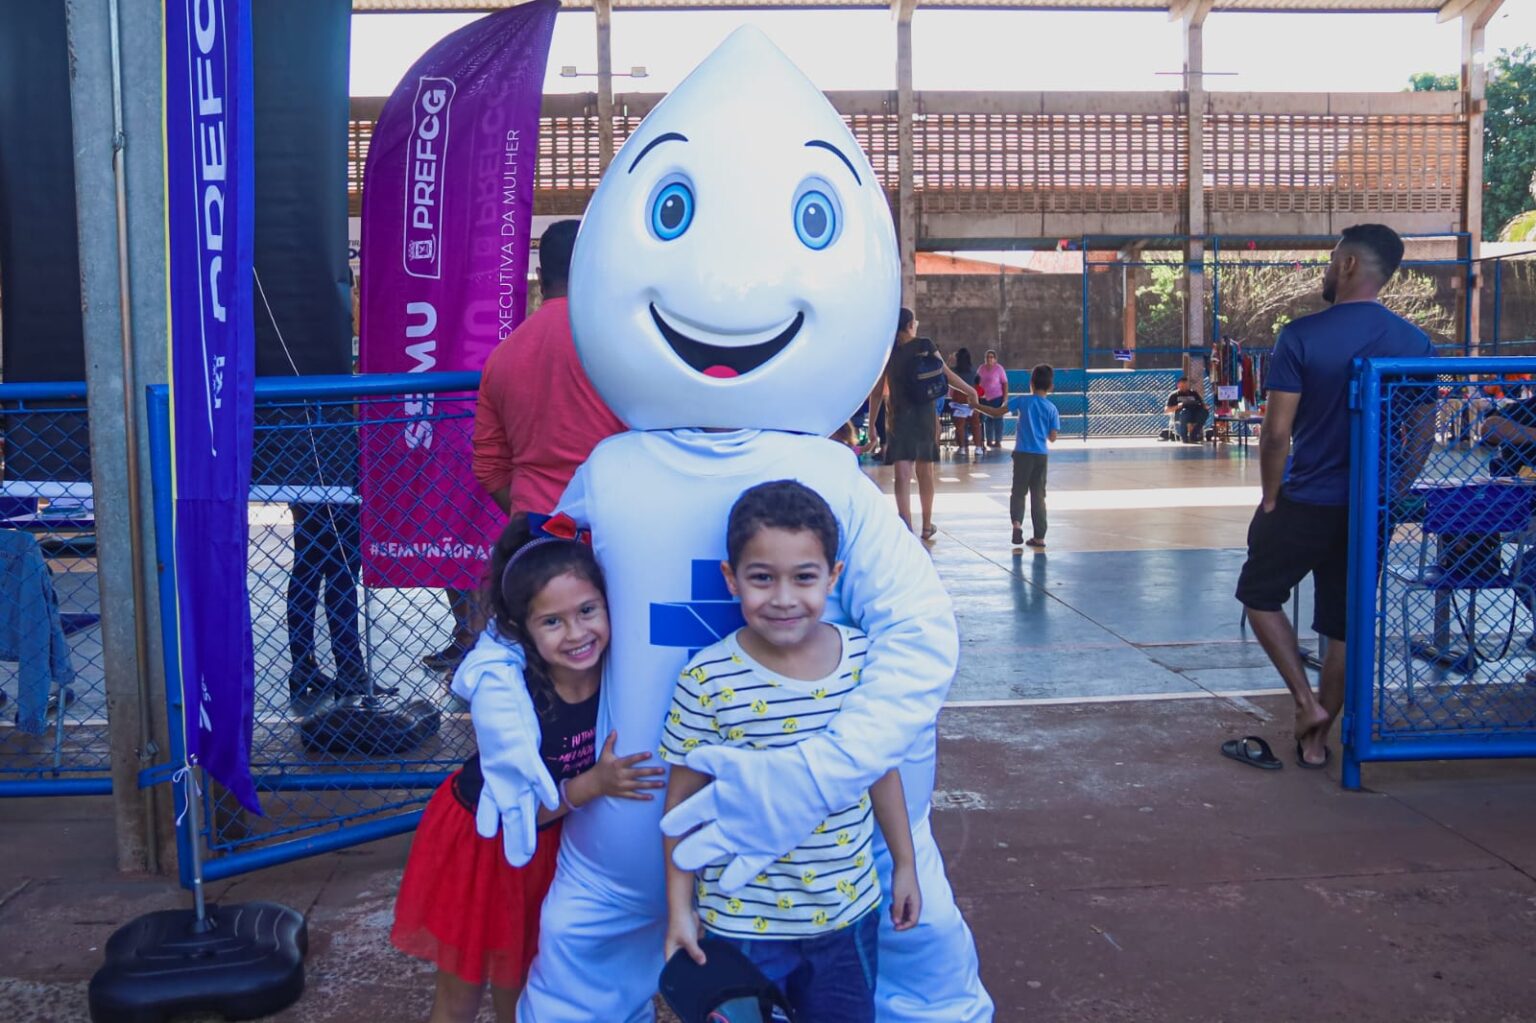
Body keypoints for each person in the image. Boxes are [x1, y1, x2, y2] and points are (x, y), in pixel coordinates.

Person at [469, 30, 992, 1022]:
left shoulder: (831, 480)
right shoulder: (610, 473)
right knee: (583, 983)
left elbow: (923, 641)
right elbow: (526, 603)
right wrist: (502, 715)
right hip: (634, 831)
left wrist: (812, 781)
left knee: (918, 965)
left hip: (825, 845)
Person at [661, 481, 921, 1021]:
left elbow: (880, 770)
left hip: (847, 917)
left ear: (834, 577)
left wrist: (905, 865)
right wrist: (678, 911)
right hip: (740, 925)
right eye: (762, 578)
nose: (783, 598)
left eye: (804, 577)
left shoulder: (862, 661)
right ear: (732, 579)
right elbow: (681, 809)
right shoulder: (706, 677)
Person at [391, 514, 665, 1023]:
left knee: (528, 993)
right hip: (488, 842)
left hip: (560, 849)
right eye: (552, 621)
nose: (577, 633)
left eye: (588, 610)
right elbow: (521, 809)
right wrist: (594, 784)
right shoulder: (513, 700)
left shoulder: (619, 669)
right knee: (461, 997)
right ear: (521, 629)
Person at [1232, 224, 1436, 771]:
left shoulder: (1301, 336)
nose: (1327, 268)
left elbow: (1276, 434)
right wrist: (1390, 492)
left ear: (1347, 264)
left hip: (1305, 499)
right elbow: (1420, 434)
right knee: (1343, 624)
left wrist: (1271, 496)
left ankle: (1307, 705)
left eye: (1330, 259)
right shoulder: (1414, 343)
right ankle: (1319, 743)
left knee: (1259, 593)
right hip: (1368, 506)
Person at [434, 220, 626, 677]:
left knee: (547, 670)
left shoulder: (505, 354)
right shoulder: (619, 344)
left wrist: (533, 514)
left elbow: (489, 465)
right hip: (616, 530)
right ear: (595, 266)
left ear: (540, 275)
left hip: (538, 537)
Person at [868, 309, 990, 540]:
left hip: (898, 418)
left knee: (902, 474)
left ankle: (906, 526)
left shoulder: (887, 352)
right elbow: (945, 373)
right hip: (923, 416)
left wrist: (873, 425)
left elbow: (876, 393)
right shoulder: (924, 344)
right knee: (925, 473)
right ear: (911, 324)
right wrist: (971, 390)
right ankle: (926, 525)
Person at [1010, 364, 1061, 549]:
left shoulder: (1022, 401)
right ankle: (1039, 536)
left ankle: (1017, 524)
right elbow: (1053, 437)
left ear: (1031, 383)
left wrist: (976, 405)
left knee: (1018, 491)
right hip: (1041, 455)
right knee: (1038, 495)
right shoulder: (1052, 408)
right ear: (1050, 386)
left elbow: (998, 411)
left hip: (1022, 453)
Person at [949, 348, 983, 456]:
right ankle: (978, 447)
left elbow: (945, 373)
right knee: (975, 424)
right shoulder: (974, 370)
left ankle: (962, 448)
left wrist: (950, 360)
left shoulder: (954, 371)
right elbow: (978, 381)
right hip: (972, 398)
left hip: (959, 399)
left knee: (960, 425)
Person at [976, 350, 1009, 450]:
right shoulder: (981, 368)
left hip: (997, 397)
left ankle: (998, 440)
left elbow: (1005, 383)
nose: (989, 359)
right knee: (987, 420)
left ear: (995, 359)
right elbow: (977, 381)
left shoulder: (999, 369)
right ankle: (989, 440)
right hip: (984, 398)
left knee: (998, 419)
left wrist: (1005, 397)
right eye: (987, 357)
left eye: (991, 357)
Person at [1164, 377, 1208, 444]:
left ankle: (1194, 435)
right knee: (1185, 412)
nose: (1184, 387)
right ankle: (1184, 437)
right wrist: (1178, 406)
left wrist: (1205, 406)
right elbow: (1167, 410)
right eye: (1182, 386)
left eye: (1186, 386)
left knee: (1204, 412)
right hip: (1181, 415)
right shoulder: (1174, 395)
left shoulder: (1194, 393)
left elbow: (1202, 404)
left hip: (1194, 413)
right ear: (1178, 385)